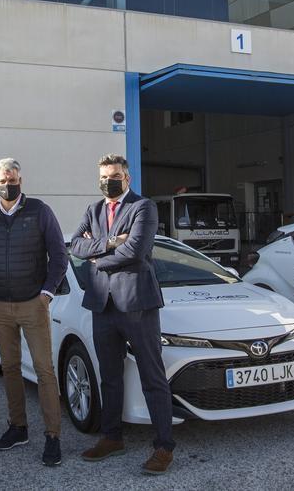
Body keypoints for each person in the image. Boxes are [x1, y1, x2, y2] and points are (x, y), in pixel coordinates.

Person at [69, 153, 175, 475]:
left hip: (137, 305)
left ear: (126, 178)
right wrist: (112, 242)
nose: (107, 181)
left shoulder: (143, 207)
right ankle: (112, 437)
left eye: (113, 175)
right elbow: (75, 245)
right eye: (103, 176)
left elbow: (136, 250)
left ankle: (164, 447)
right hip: (103, 305)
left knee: (152, 376)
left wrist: (97, 258)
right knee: (110, 376)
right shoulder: (94, 210)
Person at [0, 157, 67, 467]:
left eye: (13, 180)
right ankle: (18, 428)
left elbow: (59, 256)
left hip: (33, 304)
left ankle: (52, 436)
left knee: (44, 370)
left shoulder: (40, 211)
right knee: (10, 367)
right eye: (2, 180)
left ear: (21, 181)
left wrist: (46, 294)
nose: (8, 185)